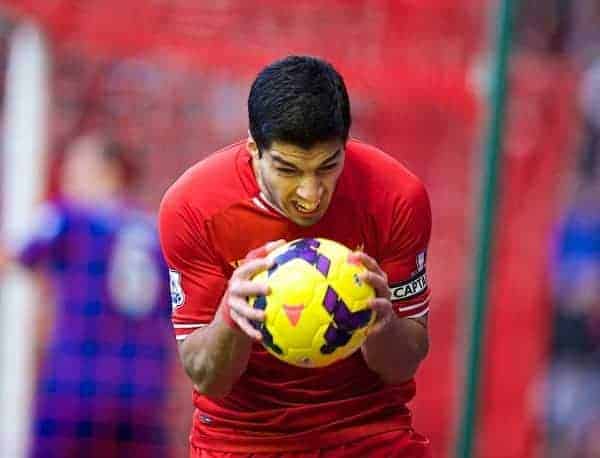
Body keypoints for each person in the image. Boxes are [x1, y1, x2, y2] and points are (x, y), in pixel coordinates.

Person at [159, 55, 432, 457]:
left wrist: (382, 321)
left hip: (367, 432)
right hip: (242, 438)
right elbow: (207, 377)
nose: (310, 193)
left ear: (346, 144)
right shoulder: (193, 207)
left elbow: (402, 365)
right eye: (288, 169)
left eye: (328, 166)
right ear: (254, 149)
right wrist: (229, 318)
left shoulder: (396, 198)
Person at [1, 133, 176, 457]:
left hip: (77, 387)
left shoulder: (67, 216)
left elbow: (12, 255)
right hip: (142, 392)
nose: (68, 177)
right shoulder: (155, 233)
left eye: (76, 167)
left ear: (108, 171)